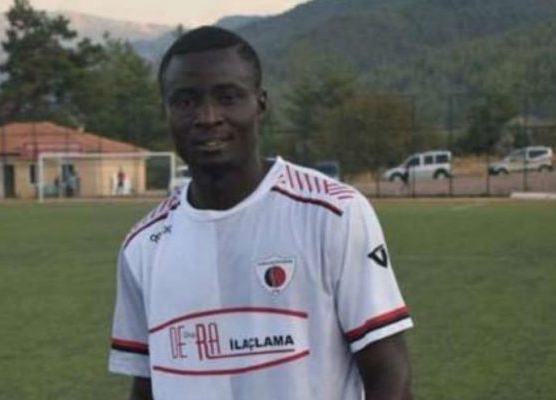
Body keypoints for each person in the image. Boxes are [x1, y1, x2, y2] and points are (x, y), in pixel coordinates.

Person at [109, 26, 413, 400]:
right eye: (186, 101)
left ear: (260, 102)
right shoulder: (143, 246)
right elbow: (147, 384)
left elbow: (388, 370)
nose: (208, 116)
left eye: (228, 97)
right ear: (166, 111)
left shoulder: (333, 214)